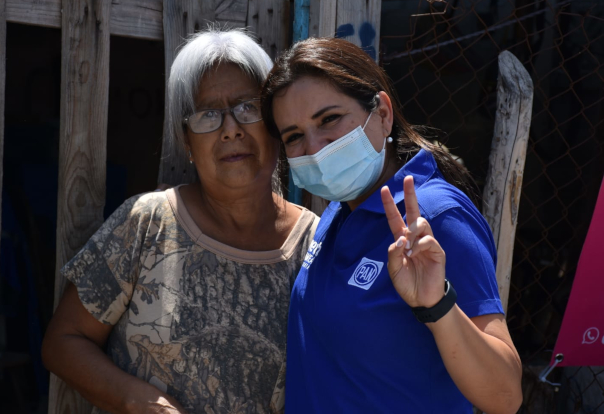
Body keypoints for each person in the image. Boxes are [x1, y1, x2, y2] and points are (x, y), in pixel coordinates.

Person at [42, 28, 318, 414]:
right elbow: (63, 341)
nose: (231, 129)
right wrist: (136, 400)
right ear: (187, 142)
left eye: (248, 107)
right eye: (208, 114)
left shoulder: (315, 245)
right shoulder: (147, 224)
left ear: (274, 124)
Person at [261, 37, 523, 414]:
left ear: (383, 113)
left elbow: (505, 397)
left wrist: (438, 305)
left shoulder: (436, 215)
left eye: (329, 119)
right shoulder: (338, 212)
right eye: (294, 136)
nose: (315, 148)